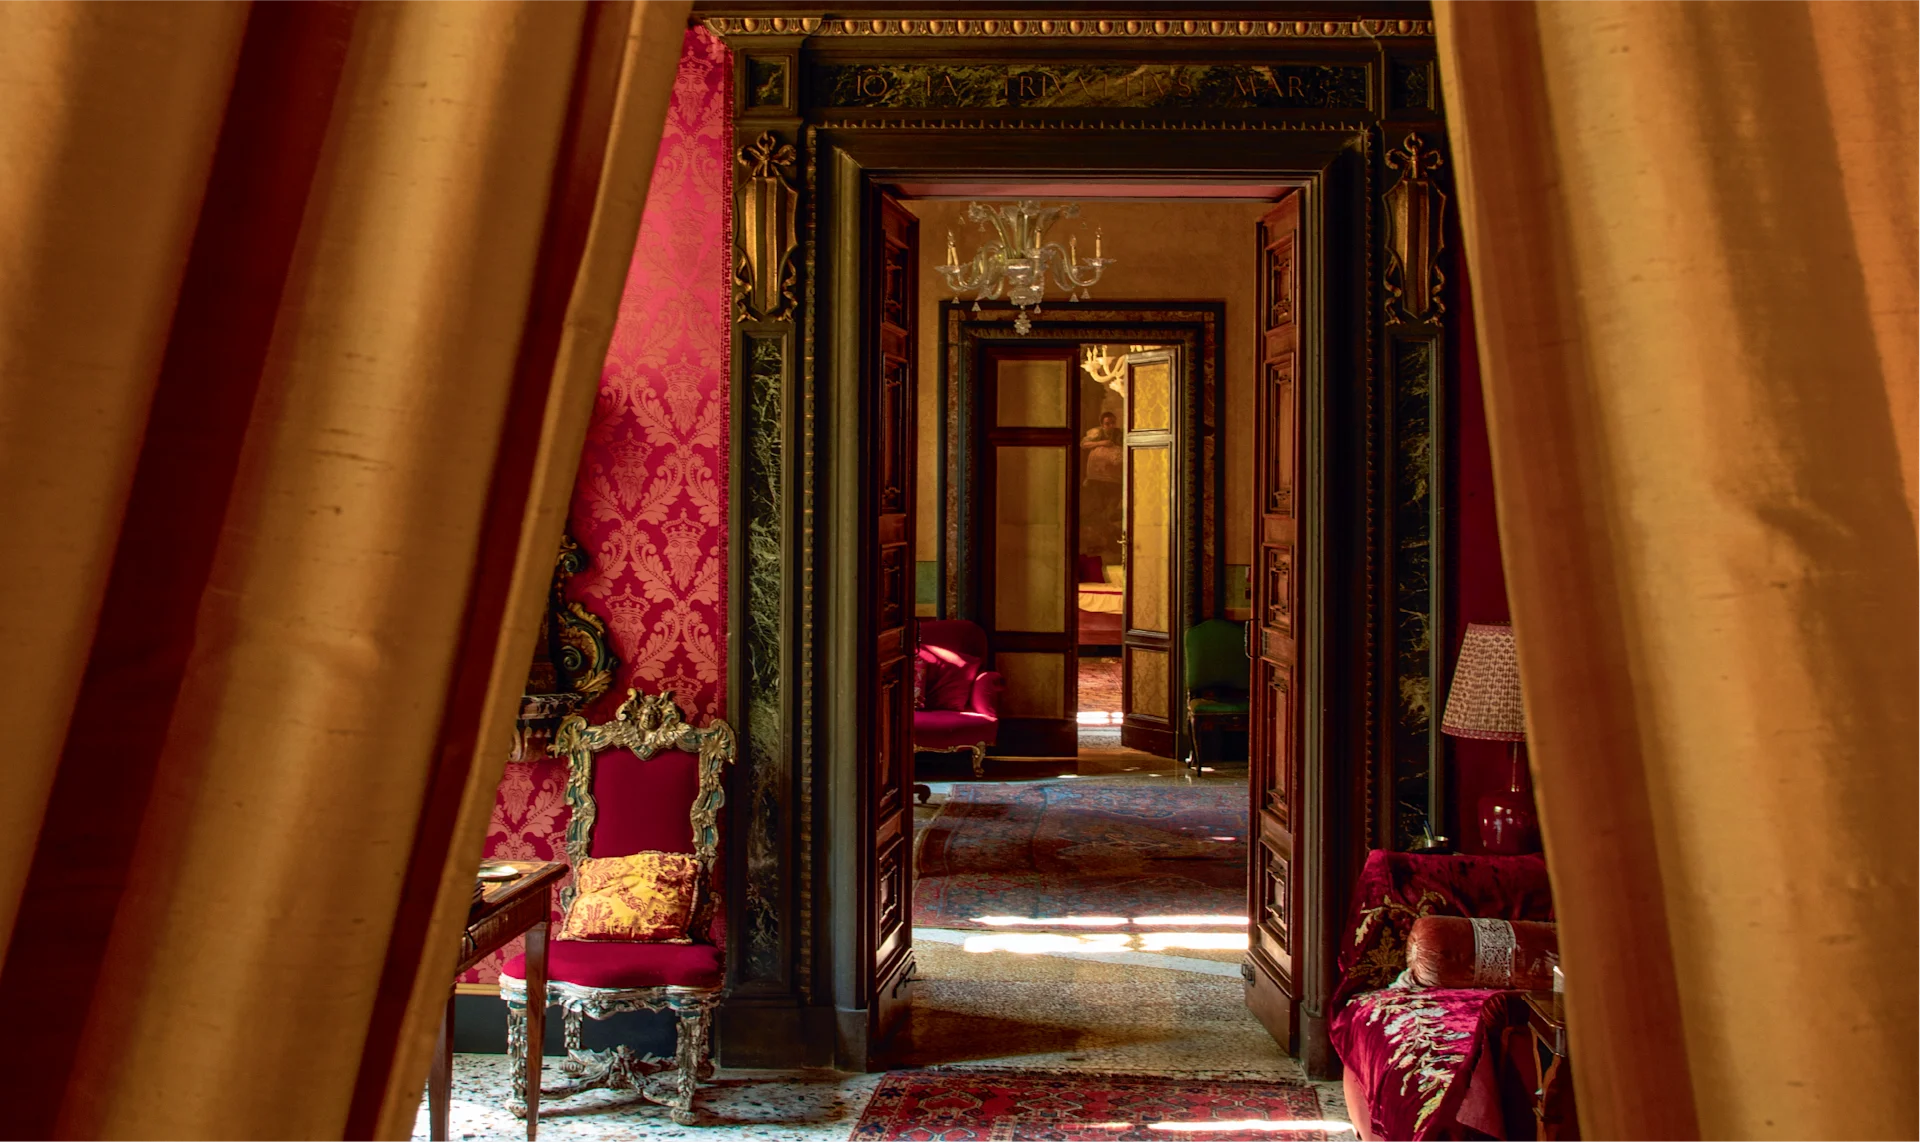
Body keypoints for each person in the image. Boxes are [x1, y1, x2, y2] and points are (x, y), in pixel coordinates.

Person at [1081, 410, 1124, 560]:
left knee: (1111, 507)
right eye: (1107, 423)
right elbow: (1084, 444)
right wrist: (1102, 443)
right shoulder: (1097, 433)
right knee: (1098, 508)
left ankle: (1108, 539)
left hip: (1114, 478)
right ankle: (1100, 542)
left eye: (1112, 423)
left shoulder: (1118, 433)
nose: (1110, 426)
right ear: (1102, 424)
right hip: (1098, 478)